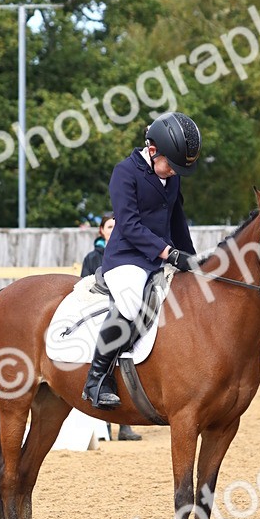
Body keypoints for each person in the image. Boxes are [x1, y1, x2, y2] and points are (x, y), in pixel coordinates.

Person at [82, 111, 201, 410]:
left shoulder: (171, 178)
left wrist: (193, 260)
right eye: (170, 165)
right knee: (131, 302)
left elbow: (178, 221)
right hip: (127, 258)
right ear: (152, 150)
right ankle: (96, 378)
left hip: (161, 257)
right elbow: (130, 224)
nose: (173, 172)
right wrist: (168, 253)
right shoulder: (125, 173)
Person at [80, 214, 141, 441]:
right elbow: (86, 282)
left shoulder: (128, 253)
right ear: (101, 231)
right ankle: (103, 422)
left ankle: (125, 425)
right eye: (109, 226)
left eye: (117, 226)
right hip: (101, 309)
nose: (113, 229)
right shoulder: (93, 257)